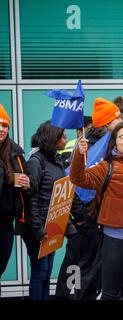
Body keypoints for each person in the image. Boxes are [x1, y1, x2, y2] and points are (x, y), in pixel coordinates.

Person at [70, 122, 123, 300]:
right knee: (110, 293)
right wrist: (78, 155)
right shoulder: (106, 167)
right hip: (114, 240)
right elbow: (78, 178)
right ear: (114, 143)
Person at [72, 98, 122, 300]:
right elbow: (73, 181)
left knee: (102, 263)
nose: (121, 121)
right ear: (108, 122)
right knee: (89, 264)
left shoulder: (112, 142)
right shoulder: (90, 146)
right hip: (91, 214)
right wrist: (81, 216)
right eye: (117, 118)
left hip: (105, 213)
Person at [21, 121, 67, 300]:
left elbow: (60, 196)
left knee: (47, 272)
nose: (66, 139)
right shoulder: (36, 161)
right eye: (62, 136)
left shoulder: (56, 160)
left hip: (52, 225)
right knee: (40, 271)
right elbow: (30, 198)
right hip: (37, 228)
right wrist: (39, 231)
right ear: (52, 137)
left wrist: (66, 227)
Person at [0, 104, 32, 297]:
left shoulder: (15, 152)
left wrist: (28, 183)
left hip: (6, 223)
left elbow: (29, 179)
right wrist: (11, 179)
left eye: (4, 126)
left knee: (1, 264)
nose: (1, 129)